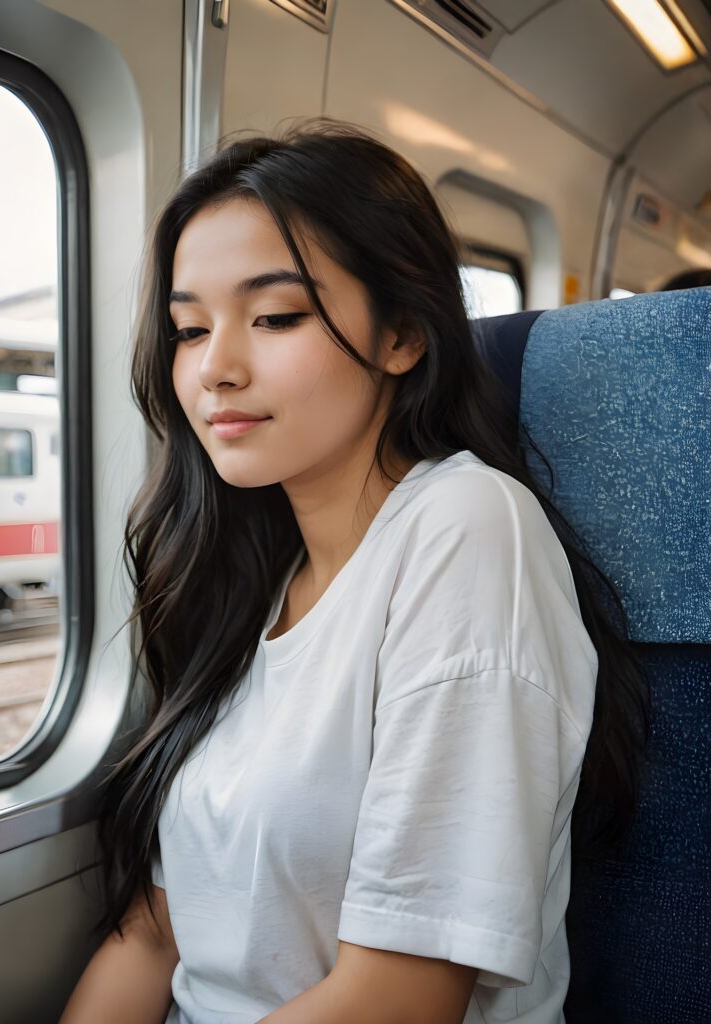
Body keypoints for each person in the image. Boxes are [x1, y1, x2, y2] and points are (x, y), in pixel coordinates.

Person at [60, 118, 650, 1024]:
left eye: (276, 317)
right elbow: (151, 939)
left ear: (402, 336)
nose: (215, 368)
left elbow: (402, 998)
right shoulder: (243, 576)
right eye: (187, 329)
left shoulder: (466, 528)